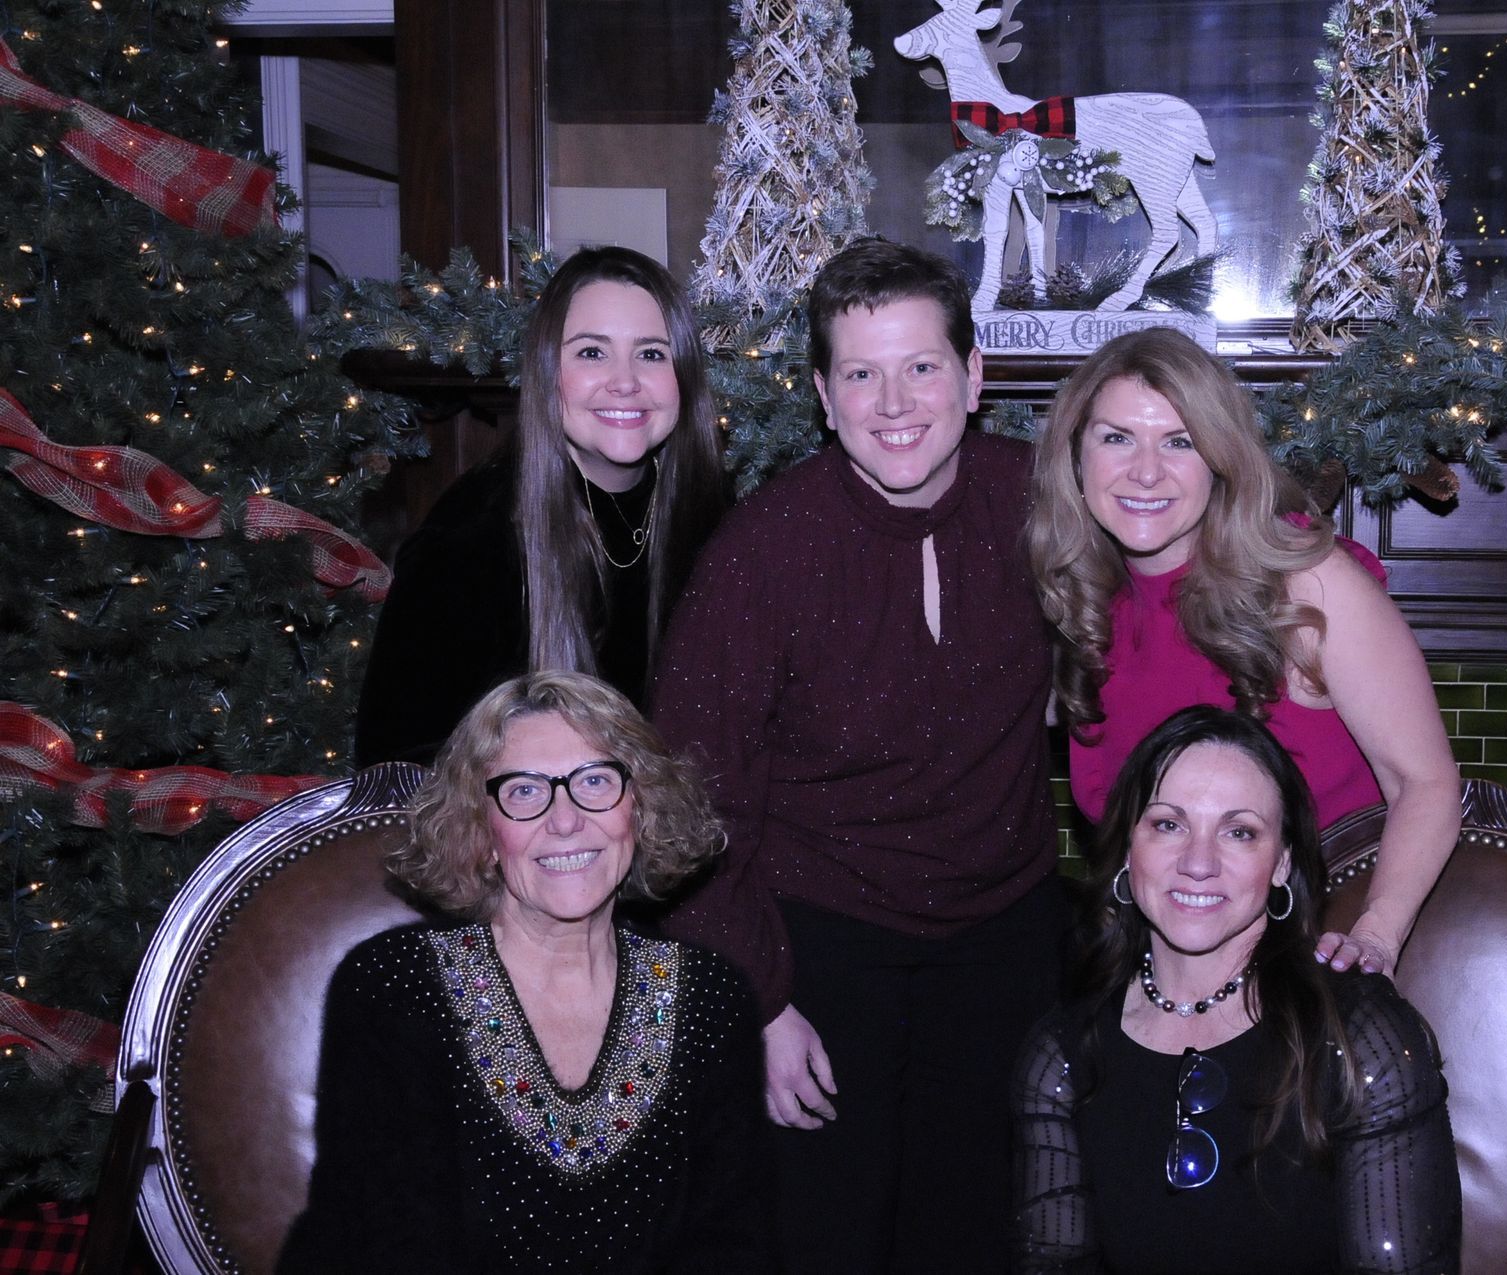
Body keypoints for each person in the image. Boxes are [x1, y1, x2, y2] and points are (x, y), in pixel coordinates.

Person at [650, 238, 1065, 1273]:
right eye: (862, 374)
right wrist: (762, 1001)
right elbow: (690, 804)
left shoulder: (1048, 507)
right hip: (819, 946)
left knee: (977, 1236)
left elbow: (1189, 536)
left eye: (922, 366)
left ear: (973, 379)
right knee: (824, 1238)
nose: (895, 403)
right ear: (825, 398)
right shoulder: (761, 554)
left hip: (1004, 940)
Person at [281, 671, 772, 1272]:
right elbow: (383, 1243)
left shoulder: (711, 999)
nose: (564, 820)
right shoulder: (394, 987)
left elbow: (732, 1246)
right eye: (523, 792)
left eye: (596, 781)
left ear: (639, 811)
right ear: (482, 830)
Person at [1028, 327, 1460, 975]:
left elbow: (1425, 782)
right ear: (1075, 457)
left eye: (1180, 442)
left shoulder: (1305, 581)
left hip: (1325, 954)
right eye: (1117, 437)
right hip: (1168, 967)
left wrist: (1373, 936)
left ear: (1221, 459)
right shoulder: (1079, 603)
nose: (1145, 471)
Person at [1013, 705, 1461, 1274]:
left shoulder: (1360, 1037)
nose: (1198, 863)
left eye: (1240, 831)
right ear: (1129, 847)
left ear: (1281, 863)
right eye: (1168, 824)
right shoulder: (1061, 1056)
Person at [353, 247, 729, 766]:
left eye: (651, 353)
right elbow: (400, 765)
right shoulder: (471, 536)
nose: (625, 381)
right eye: (592, 353)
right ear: (547, 372)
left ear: (683, 376)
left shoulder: (719, 517)